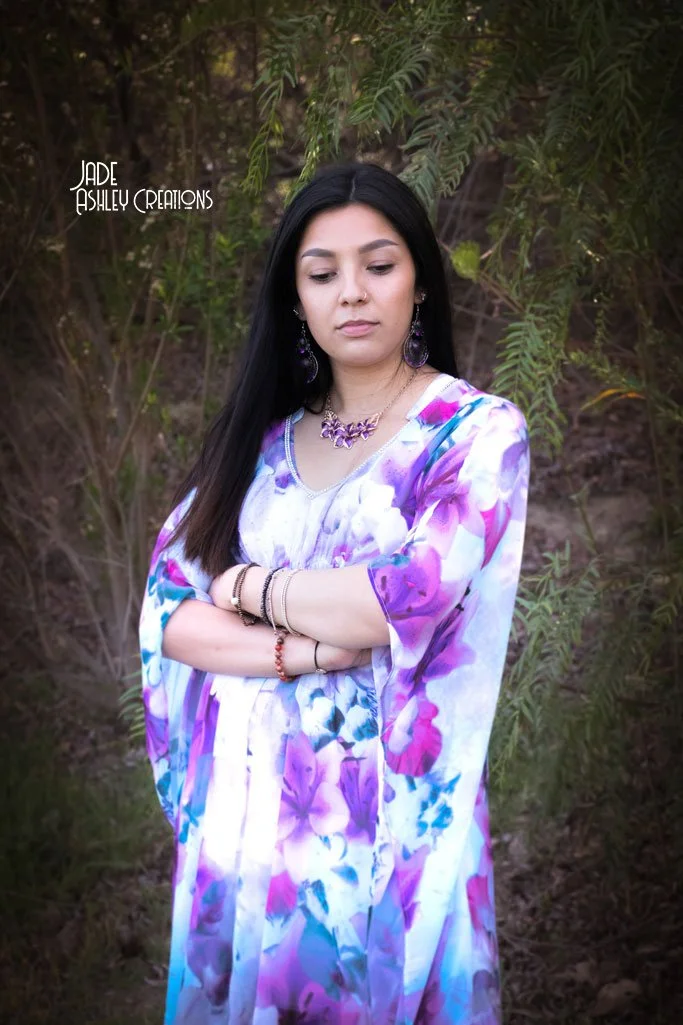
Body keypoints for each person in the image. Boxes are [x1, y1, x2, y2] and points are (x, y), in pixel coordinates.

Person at [140, 160, 529, 1025]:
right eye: (322, 273)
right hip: (243, 838)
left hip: (390, 838)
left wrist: (244, 582)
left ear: (420, 282)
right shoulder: (261, 446)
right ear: (296, 298)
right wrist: (304, 648)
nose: (351, 291)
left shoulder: (472, 433)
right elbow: (171, 613)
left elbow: (402, 598)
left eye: (379, 265)